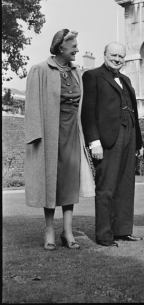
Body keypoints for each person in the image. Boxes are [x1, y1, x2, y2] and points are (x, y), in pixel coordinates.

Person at [24, 29, 95, 251]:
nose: (77, 50)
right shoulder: (40, 70)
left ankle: (67, 231)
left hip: (73, 133)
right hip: (49, 135)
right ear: (61, 47)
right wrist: (36, 136)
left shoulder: (77, 73)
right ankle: (49, 233)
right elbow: (32, 107)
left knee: (69, 183)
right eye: (74, 47)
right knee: (50, 183)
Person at [81, 42, 143, 247]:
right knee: (106, 186)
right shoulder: (92, 76)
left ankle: (123, 230)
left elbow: (133, 109)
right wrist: (94, 142)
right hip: (107, 138)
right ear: (104, 54)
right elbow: (88, 112)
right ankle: (105, 235)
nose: (117, 59)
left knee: (126, 186)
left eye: (121, 56)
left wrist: (139, 142)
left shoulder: (126, 79)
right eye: (113, 55)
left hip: (130, 134)